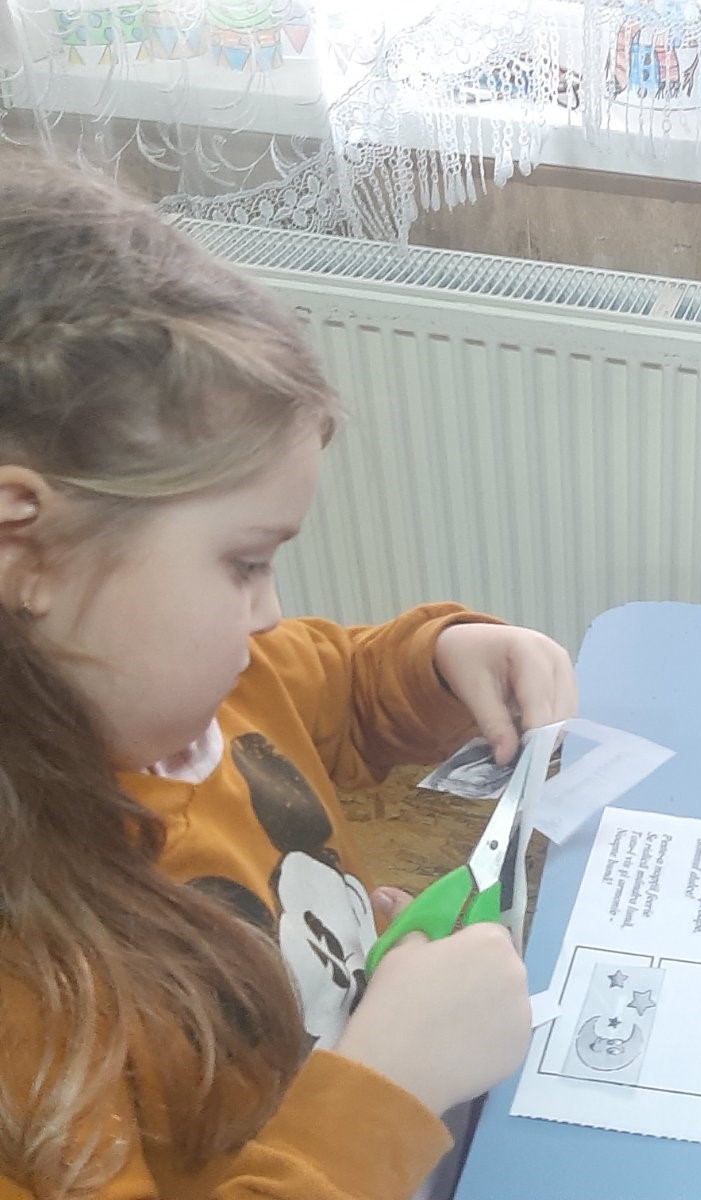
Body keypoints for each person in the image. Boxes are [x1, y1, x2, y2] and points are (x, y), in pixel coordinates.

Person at [0, 152, 579, 1197]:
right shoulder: (33, 1007)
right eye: (244, 563)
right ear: (24, 549)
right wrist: (384, 1088)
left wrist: (444, 659)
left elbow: (342, 685)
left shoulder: (217, 685)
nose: (269, 610)